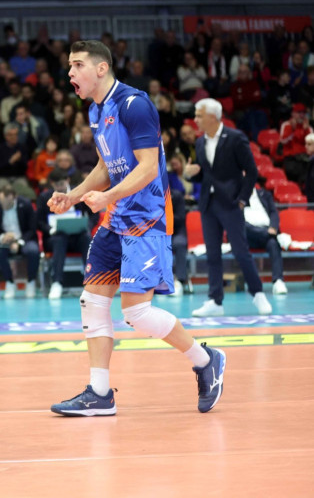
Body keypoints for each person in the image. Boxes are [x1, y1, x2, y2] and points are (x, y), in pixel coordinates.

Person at [48, 40, 226, 417]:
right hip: (115, 219)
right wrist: (74, 196)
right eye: (69, 66)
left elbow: (147, 167)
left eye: (77, 65)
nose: (70, 73)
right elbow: (105, 165)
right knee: (92, 302)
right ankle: (99, 393)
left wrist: (107, 195)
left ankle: (205, 360)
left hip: (147, 219)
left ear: (101, 69)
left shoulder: (134, 104)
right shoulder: (96, 111)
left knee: (137, 314)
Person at [185, 98, 272, 317]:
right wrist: (191, 174)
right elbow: (206, 174)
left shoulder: (235, 138)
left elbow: (252, 171)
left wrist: (242, 199)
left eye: (199, 115)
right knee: (212, 254)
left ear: (212, 116)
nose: (195, 119)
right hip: (208, 204)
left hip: (231, 203)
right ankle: (215, 300)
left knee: (241, 251)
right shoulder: (200, 142)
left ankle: (258, 293)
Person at [37, 168, 91, 300]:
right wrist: (51, 229)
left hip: (77, 236)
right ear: (51, 184)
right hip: (56, 238)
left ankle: (91, 281)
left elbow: (93, 214)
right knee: (59, 239)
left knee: (86, 238)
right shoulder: (44, 197)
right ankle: (57, 282)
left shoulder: (78, 194)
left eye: (62, 184)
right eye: (56, 185)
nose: (60, 187)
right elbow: (38, 221)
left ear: (67, 180)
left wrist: (87, 225)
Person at [0, 186, 41, 299]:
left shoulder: (26, 204)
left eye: (5, 203)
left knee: (33, 251)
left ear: (12, 197)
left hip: (24, 239)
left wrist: (19, 242)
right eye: (1, 202)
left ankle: (31, 281)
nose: (2, 205)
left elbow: (32, 229)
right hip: (5, 242)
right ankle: (9, 282)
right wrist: (2, 237)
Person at [242, 183, 288, 296]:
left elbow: (273, 212)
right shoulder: (236, 197)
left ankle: (278, 281)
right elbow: (237, 220)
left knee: (273, 244)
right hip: (248, 235)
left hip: (267, 232)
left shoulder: (264, 195)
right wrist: (269, 233)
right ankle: (275, 237)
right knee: (243, 228)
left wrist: (273, 227)